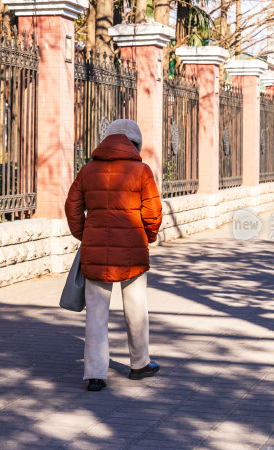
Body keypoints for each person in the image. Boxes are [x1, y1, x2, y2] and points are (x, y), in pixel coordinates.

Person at [65, 119, 163, 392]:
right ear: (134, 143)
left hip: (96, 249)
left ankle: (95, 374)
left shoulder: (88, 170)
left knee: (96, 312)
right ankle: (140, 364)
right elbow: (153, 212)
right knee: (136, 308)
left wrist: (85, 234)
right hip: (132, 249)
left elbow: (72, 208)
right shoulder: (141, 171)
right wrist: (148, 236)